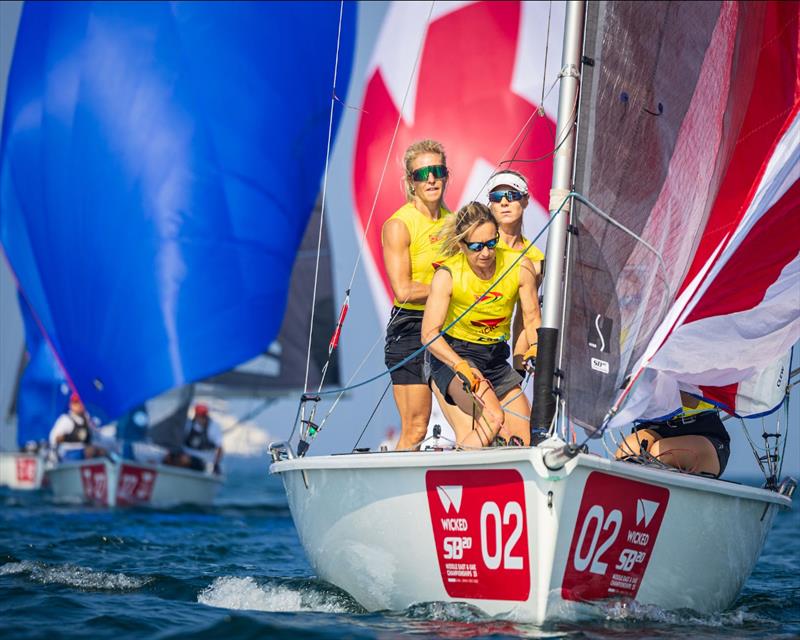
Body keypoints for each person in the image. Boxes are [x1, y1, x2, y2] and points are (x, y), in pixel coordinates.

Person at [421, 202, 542, 448]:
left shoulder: (520, 266)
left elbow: (531, 318)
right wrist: (460, 365)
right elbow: (429, 334)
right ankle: (455, 474)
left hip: (495, 359)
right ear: (461, 245)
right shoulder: (448, 275)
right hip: (456, 356)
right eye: (476, 247)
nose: (486, 253)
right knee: (493, 417)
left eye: (491, 243)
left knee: (523, 436)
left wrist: (537, 346)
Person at [382, 139, 452, 450]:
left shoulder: (456, 223)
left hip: (449, 325)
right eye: (423, 174)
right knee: (416, 427)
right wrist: (449, 290)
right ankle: (388, 491)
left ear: (446, 175)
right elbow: (404, 289)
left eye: (437, 171)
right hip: (409, 327)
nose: (431, 179)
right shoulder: (399, 225)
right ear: (412, 182)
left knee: (476, 418)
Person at [485, 170, 545, 376]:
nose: (504, 202)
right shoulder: (481, 244)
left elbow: (525, 315)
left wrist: (519, 366)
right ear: (490, 204)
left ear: (526, 200)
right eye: (496, 197)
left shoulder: (534, 256)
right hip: (464, 343)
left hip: (497, 350)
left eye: (511, 195)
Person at [615, 392, 731, 477]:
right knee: (628, 451)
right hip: (657, 426)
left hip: (702, 430)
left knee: (661, 454)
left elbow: (691, 400)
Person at [163, 404, 223, 474]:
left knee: (184, 459)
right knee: (169, 458)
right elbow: (177, 439)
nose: (201, 418)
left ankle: (173, 473)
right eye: (199, 415)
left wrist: (216, 464)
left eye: (203, 415)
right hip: (185, 453)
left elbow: (219, 448)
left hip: (202, 460)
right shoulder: (189, 424)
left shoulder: (213, 427)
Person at [49, 392, 107, 460]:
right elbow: (53, 438)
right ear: (71, 405)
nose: (79, 405)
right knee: (89, 451)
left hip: (84, 451)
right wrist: (68, 437)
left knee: (101, 451)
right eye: (75, 403)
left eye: (80, 402)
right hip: (68, 453)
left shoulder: (87, 418)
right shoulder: (66, 420)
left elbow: (94, 436)